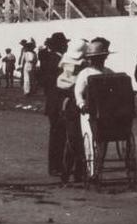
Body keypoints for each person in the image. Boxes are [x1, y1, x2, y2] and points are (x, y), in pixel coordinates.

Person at [56, 38, 88, 183]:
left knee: (73, 139)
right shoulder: (84, 66)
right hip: (77, 104)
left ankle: (68, 171)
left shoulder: (64, 62)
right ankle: (76, 171)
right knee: (78, 140)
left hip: (68, 104)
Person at [43, 31, 70, 177]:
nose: (66, 46)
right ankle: (55, 166)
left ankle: (56, 165)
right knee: (57, 136)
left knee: (58, 135)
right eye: (65, 43)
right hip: (56, 103)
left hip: (54, 102)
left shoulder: (52, 58)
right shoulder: (55, 60)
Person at [74, 37, 114, 113]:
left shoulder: (108, 72)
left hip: (107, 109)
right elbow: (78, 92)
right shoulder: (85, 73)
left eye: (102, 57)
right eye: (97, 57)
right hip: (90, 110)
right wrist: (82, 105)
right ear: (91, 58)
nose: (100, 60)